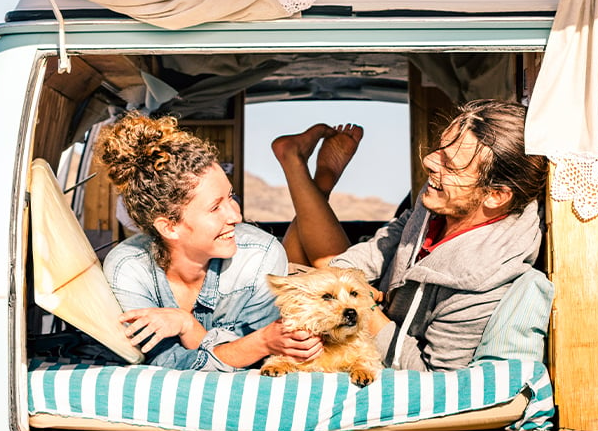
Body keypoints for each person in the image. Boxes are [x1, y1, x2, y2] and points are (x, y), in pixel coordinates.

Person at [271, 99, 547, 372]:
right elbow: (396, 235)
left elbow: (431, 374)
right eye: (439, 149)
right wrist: (346, 276)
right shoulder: (443, 199)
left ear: (496, 195)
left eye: (450, 165)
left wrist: (362, 307)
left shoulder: (483, 284)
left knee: (305, 280)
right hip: (379, 306)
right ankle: (310, 173)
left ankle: (301, 167)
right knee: (319, 277)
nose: (428, 161)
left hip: (381, 348)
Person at [98, 111, 321, 371]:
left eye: (231, 196)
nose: (236, 215)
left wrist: (188, 327)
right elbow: (159, 364)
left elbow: (259, 365)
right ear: (169, 226)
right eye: (215, 207)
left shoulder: (261, 256)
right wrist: (259, 343)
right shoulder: (128, 269)